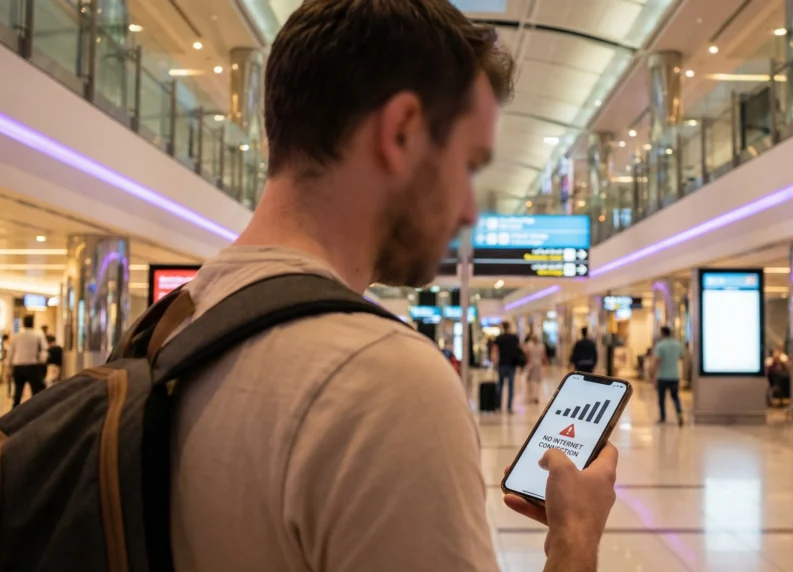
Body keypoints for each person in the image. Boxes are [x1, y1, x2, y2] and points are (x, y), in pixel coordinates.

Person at [168, 2, 618, 571]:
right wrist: (573, 537)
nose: (468, 210)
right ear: (401, 132)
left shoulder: (166, 329)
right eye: (467, 163)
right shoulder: (382, 380)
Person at [7, 315, 47, 408]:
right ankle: (35, 410)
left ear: (23, 323)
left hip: (18, 366)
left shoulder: (17, 336)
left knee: (18, 391)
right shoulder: (37, 335)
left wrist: (8, 367)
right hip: (32, 366)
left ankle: (15, 410)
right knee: (36, 391)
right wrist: (42, 362)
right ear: (33, 323)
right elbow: (43, 351)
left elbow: (10, 353)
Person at [654, 326, 685, 426]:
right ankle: (679, 413)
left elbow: (657, 361)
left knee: (661, 398)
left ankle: (663, 417)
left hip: (662, 376)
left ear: (662, 333)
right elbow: (681, 356)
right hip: (674, 375)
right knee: (675, 396)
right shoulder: (677, 344)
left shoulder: (660, 345)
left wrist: (654, 375)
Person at [493, 322, 523, 414]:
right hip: (511, 364)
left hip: (502, 364)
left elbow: (494, 351)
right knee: (511, 386)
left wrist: (494, 362)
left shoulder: (499, 338)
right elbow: (519, 349)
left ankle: (498, 406)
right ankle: (509, 407)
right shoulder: (514, 338)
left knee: (500, 385)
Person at [523, 332, 548, 404]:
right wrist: (545, 363)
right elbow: (543, 356)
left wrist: (526, 364)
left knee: (530, 381)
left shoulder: (529, 345)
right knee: (537, 381)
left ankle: (531, 396)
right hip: (538, 364)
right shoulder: (541, 346)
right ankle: (536, 396)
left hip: (531, 364)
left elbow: (527, 356)